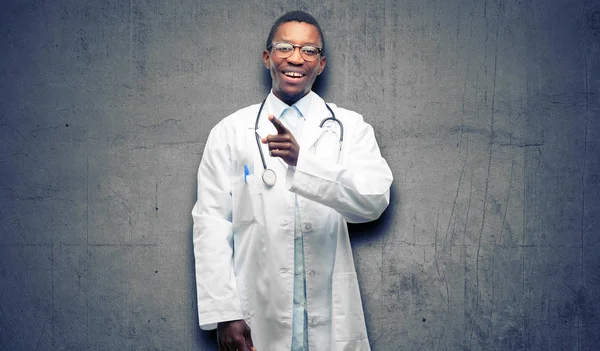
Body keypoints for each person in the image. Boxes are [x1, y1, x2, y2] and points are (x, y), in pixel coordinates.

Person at [192, 10, 393, 351]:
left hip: (330, 313)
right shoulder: (230, 132)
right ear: (267, 57)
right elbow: (211, 223)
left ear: (321, 63)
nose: (296, 58)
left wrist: (303, 162)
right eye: (284, 47)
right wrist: (225, 312)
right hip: (258, 311)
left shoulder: (350, 128)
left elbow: (373, 200)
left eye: (309, 50)